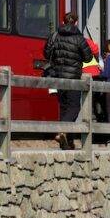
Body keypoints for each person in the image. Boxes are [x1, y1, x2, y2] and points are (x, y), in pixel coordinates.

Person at [44, 12, 92, 149]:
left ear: (63, 21)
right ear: (76, 22)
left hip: (58, 77)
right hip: (73, 78)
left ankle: (68, 143)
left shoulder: (54, 35)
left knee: (64, 108)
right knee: (74, 107)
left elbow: (46, 53)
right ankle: (62, 131)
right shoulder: (79, 38)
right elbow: (88, 58)